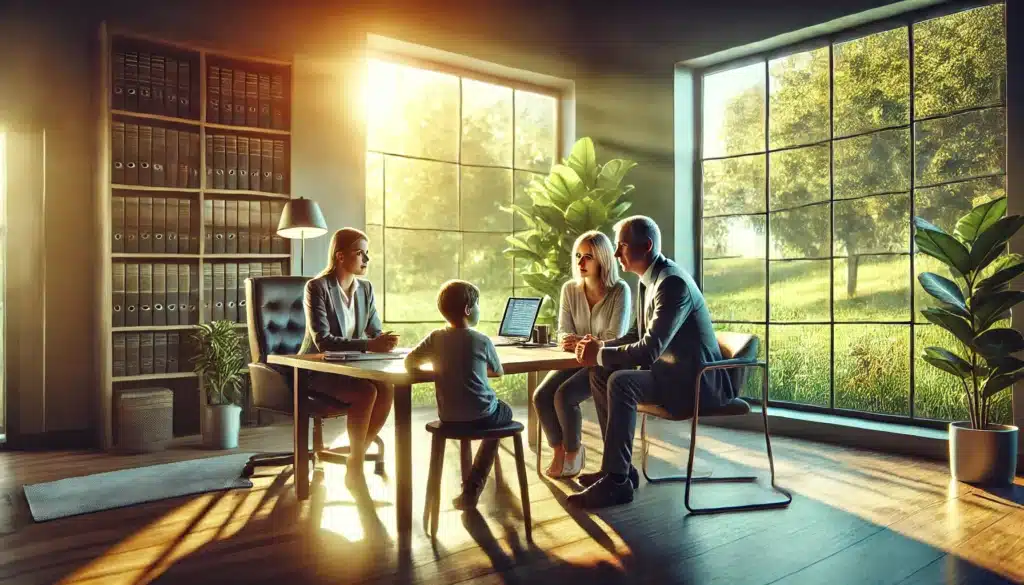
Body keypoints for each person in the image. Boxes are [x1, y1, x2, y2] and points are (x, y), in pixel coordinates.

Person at [567, 215, 733, 509]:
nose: (616, 254)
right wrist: (598, 348)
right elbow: (635, 334)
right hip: (671, 376)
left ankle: (617, 483)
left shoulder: (673, 285)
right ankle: (617, 470)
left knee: (621, 381)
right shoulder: (649, 281)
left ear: (646, 246)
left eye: (621, 247)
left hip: (694, 383)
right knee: (601, 372)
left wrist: (600, 353)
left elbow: (648, 350)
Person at [300, 227, 400, 490]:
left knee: (387, 387)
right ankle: (355, 465)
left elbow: (374, 330)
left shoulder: (365, 289)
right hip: (317, 369)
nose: (366, 260)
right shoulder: (317, 288)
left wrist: (384, 341)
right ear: (340, 256)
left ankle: (355, 458)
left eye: (367, 254)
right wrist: (369, 344)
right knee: (366, 392)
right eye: (360, 253)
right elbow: (323, 340)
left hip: (352, 367)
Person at [403, 279, 512, 510]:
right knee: (504, 413)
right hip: (482, 415)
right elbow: (498, 372)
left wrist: (443, 372)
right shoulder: (482, 340)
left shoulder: (435, 337)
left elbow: (410, 361)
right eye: (478, 305)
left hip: (448, 417)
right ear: (468, 310)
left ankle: (470, 487)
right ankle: (473, 487)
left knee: (489, 417)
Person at [533, 230, 630, 479]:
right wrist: (580, 341)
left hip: (602, 364)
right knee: (542, 395)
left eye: (588, 257)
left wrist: (583, 341)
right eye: (578, 256)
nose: (580, 263)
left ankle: (574, 453)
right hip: (574, 359)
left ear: (603, 259)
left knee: (564, 395)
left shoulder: (620, 291)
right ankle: (558, 451)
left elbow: (614, 337)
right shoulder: (569, 289)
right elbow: (564, 331)